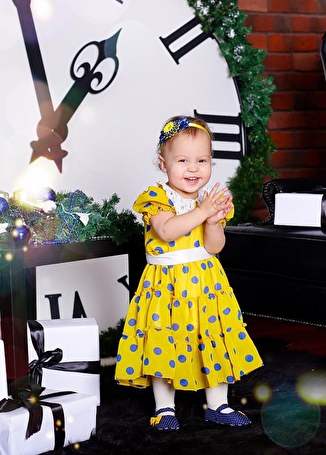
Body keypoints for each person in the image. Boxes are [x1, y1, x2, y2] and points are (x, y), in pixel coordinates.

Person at [114, 115, 263, 431]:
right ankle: (164, 408)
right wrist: (202, 212)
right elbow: (167, 231)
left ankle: (218, 404)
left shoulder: (208, 202)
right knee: (163, 340)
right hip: (166, 285)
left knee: (213, 338)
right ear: (163, 163)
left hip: (206, 283)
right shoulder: (156, 198)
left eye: (202, 160)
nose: (193, 168)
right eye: (182, 160)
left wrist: (213, 221)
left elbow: (214, 246)